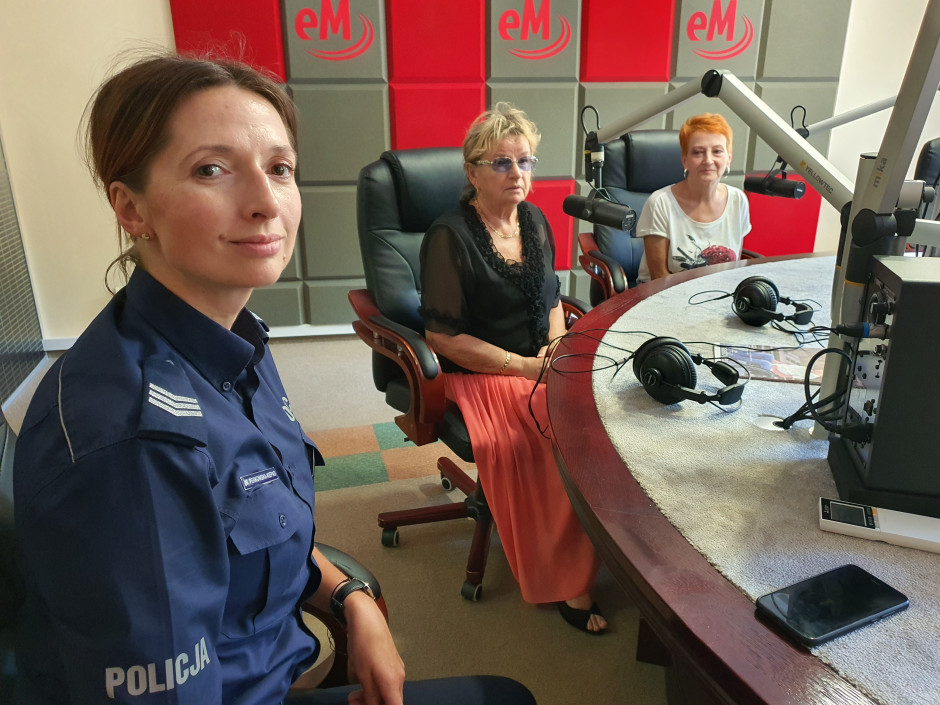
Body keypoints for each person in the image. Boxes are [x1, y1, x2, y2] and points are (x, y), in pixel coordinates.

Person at [12, 53, 536, 705]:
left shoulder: (235, 340)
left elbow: (266, 527)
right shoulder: (134, 448)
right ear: (132, 208)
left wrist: (349, 596)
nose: (266, 203)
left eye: (280, 168)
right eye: (212, 169)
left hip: (281, 654)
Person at [419, 103, 607, 634]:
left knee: (601, 421)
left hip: (538, 361)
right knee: (550, 438)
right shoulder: (448, 237)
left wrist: (555, 347)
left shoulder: (535, 220)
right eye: (501, 162)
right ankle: (566, 580)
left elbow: (552, 299)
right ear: (472, 172)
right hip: (482, 372)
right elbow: (442, 337)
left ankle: (602, 545)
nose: (517, 173)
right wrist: (523, 366)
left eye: (525, 161)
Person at [635, 113, 752, 283]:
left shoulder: (738, 200)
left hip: (718, 293)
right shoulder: (660, 203)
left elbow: (732, 269)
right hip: (662, 294)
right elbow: (659, 277)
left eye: (717, 151)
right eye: (698, 152)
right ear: (685, 160)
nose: (708, 160)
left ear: (728, 158)